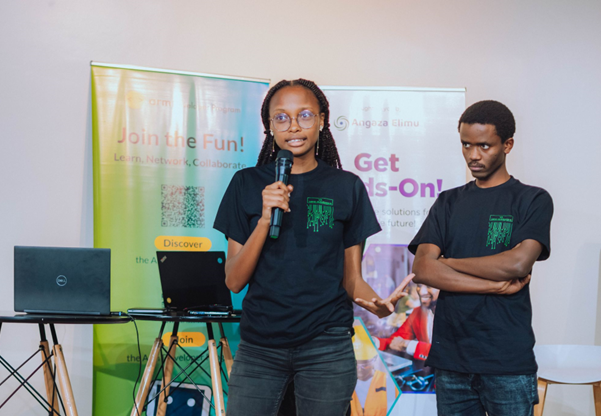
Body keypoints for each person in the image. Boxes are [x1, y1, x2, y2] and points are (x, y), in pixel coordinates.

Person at [213, 79, 413, 416]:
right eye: (281, 117)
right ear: (270, 126)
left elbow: (352, 278)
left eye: (305, 115)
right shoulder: (246, 184)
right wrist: (264, 219)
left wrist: (378, 304)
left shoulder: (346, 187)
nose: (293, 126)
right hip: (260, 347)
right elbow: (234, 280)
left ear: (322, 120)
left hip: (326, 346)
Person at [410, 100, 553, 416]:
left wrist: (446, 262)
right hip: (451, 359)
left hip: (507, 361)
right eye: (466, 145)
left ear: (507, 144)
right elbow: (422, 268)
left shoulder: (532, 199)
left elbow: (517, 264)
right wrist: (492, 286)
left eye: (485, 146)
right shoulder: (448, 202)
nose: (473, 155)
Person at [376, 284, 438, 361]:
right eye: (419, 286)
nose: (421, 292)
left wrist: (408, 345)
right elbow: (397, 339)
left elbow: (448, 353)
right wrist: (373, 342)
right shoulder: (418, 312)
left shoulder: (454, 313)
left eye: (429, 286)